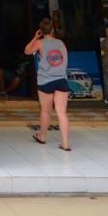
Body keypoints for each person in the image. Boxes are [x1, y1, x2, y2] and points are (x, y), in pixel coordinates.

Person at [24, 17, 71, 151]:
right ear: (53, 29)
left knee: (45, 111)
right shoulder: (61, 43)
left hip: (46, 80)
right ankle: (65, 144)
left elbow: (27, 51)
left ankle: (42, 136)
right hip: (61, 80)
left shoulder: (40, 43)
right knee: (62, 113)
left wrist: (34, 38)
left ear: (41, 31)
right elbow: (64, 59)